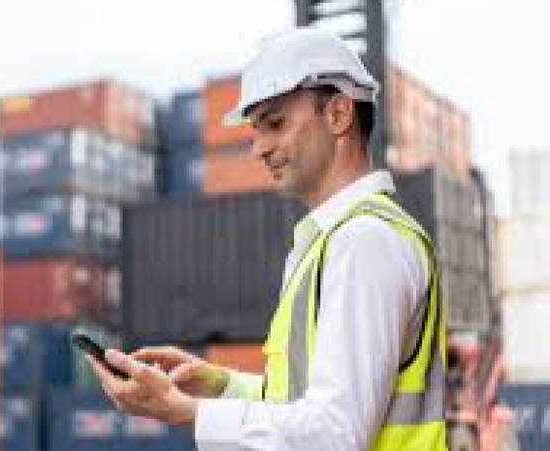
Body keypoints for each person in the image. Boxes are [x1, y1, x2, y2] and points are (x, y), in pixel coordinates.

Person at [86, 27, 447, 450]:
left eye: (274, 124)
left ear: (338, 114)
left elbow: (337, 433)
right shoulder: (328, 243)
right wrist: (219, 385)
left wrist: (188, 411)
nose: (258, 148)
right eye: (256, 130)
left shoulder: (365, 242)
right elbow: (303, 403)